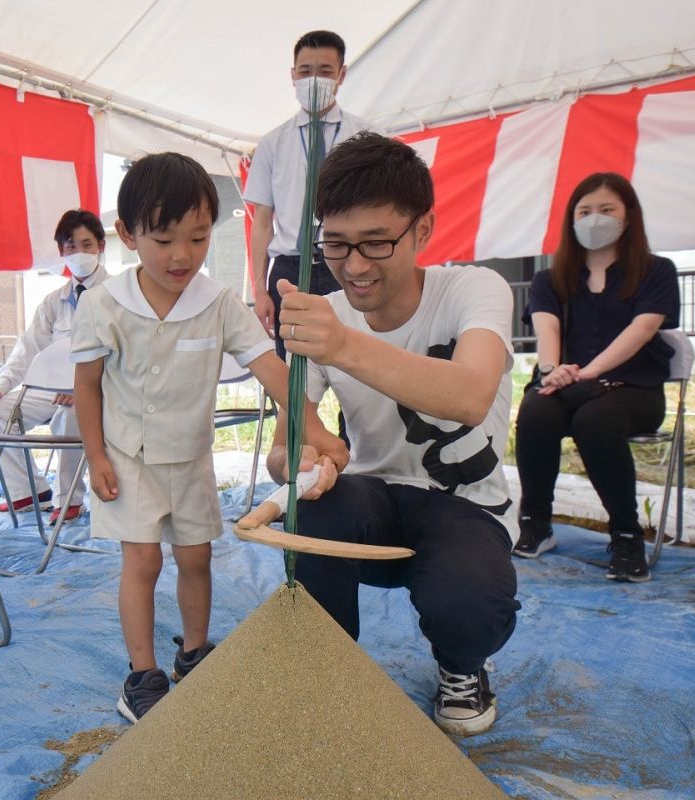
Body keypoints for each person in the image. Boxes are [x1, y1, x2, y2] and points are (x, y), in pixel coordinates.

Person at [71, 152, 347, 724]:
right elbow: (88, 387)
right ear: (126, 234)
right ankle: (142, 674)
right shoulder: (103, 305)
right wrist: (95, 454)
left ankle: (194, 653)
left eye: (197, 239)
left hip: (190, 460)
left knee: (196, 558)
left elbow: (272, 371)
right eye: (164, 239)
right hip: (127, 460)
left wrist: (313, 428)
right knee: (142, 560)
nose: (182, 256)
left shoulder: (218, 303)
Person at [270, 132, 521, 736]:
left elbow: (470, 393)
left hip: (467, 509)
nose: (354, 266)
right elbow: (285, 449)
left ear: (423, 230)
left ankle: (461, 663)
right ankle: (326, 669)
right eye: (336, 243)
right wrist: (305, 461)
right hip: (372, 503)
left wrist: (342, 343)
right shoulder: (324, 316)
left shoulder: (472, 289)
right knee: (315, 509)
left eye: (377, 242)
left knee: (469, 604)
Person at [513, 173, 680, 583]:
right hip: (568, 384)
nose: (595, 219)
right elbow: (546, 331)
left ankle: (626, 536)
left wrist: (587, 371)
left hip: (634, 390)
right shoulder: (549, 279)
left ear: (629, 216)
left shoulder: (656, 271)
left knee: (595, 421)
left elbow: (641, 330)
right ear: (571, 219)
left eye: (607, 210)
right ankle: (536, 522)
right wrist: (553, 373)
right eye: (584, 211)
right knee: (536, 408)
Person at [244, 29, 372, 360]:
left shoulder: (367, 138)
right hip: (289, 268)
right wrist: (259, 288)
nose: (314, 80)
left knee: (356, 367)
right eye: (305, 71)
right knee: (293, 372)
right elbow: (262, 221)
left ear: (342, 75)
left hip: (347, 263)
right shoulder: (272, 143)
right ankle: (295, 414)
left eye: (325, 71)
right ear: (292, 75)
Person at [0, 209, 106, 525]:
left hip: (105, 391)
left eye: (87, 244)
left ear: (101, 246)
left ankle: (70, 499)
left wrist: (86, 390)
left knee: (71, 413)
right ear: (61, 252)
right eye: (71, 247)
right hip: (56, 389)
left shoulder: (120, 295)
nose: (79, 253)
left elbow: (131, 354)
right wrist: (2, 384)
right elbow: (28, 348)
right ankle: (29, 491)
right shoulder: (54, 301)